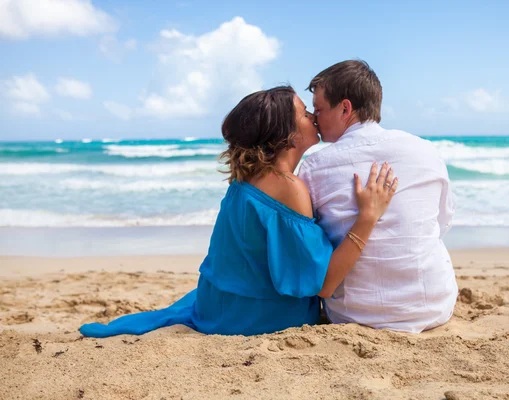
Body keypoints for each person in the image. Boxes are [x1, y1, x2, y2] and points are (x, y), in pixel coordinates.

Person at [79, 86, 398, 338]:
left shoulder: (245, 177)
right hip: (257, 319)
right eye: (304, 113)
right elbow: (324, 285)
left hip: (215, 305)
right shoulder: (289, 186)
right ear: (285, 131)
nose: (313, 117)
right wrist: (368, 217)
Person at [299, 60, 458, 333]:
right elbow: (441, 224)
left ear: (345, 108)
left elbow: (310, 247)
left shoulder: (314, 167)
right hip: (432, 306)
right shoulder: (425, 151)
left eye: (319, 109)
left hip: (354, 314)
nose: (314, 118)